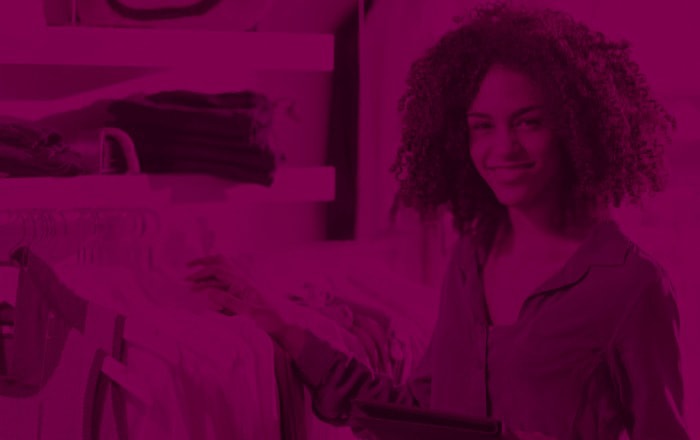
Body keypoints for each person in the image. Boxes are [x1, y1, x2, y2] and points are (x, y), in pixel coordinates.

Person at [185, 2, 691, 439]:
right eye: (481, 127)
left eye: (529, 123)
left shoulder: (632, 286)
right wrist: (284, 328)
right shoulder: (472, 256)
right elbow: (420, 417)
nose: (502, 149)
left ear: (577, 128)